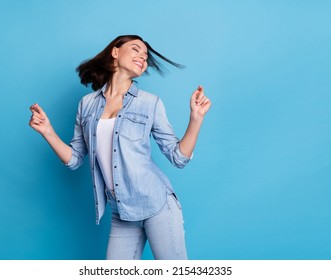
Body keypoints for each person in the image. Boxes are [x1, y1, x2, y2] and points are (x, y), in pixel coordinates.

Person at [29, 35, 211, 260]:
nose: (142, 58)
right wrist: (48, 131)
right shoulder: (87, 105)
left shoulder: (149, 102)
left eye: (145, 57)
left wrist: (196, 118)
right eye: (135, 50)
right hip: (121, 212)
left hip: (157, 205)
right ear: (115, 52)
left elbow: (178, 157)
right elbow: (74, 159)